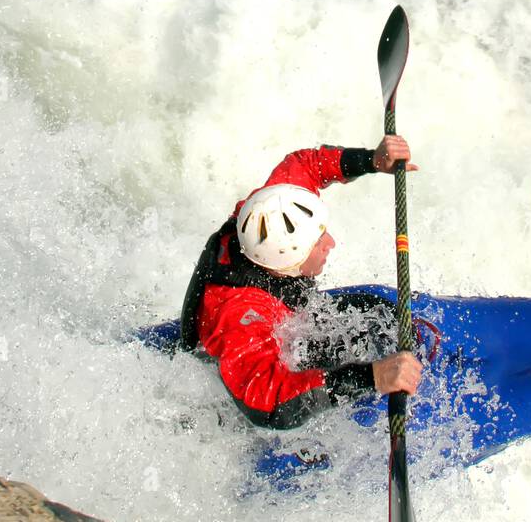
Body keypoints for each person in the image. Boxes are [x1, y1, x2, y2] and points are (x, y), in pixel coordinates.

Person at [180, 140, 423, 428]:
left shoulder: (271, 205)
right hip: (239, 371)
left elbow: (308, 163)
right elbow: (269, 404)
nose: (331, 243)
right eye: (317, 244)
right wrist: (371, 377)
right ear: (289, 266)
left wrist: (372, 160)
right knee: (354, 347)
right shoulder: (240, 314)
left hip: (285, 318)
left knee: (378, 312)